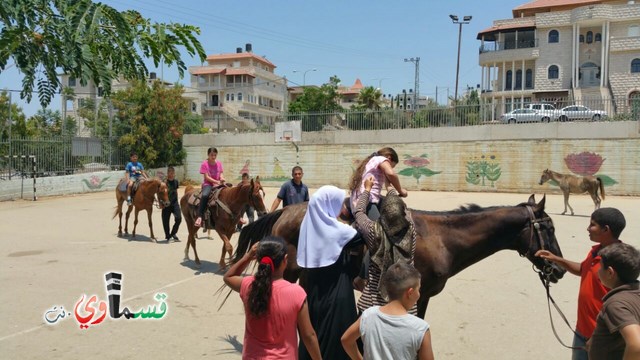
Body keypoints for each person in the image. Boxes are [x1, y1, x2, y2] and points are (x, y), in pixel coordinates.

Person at [536, 207, 627, 360]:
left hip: (602, 335)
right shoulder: (596, 251)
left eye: (592, 224)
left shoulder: (619, 260)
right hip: (582, 329)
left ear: (606, 229)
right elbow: (583, 270)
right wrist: (556, 259)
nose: (588, 228)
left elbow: (622, 301)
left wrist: (599, 337)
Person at [223, 236, 322, 360]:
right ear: (285, 260)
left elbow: (228, 277)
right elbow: (308, 335)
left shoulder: (248, 285)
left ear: (258, 260)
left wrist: (247, 257)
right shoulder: (296, 292)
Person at [297, 185, 359, 360]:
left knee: (315, 329)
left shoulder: (308, 226)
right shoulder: (339, 231)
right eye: (338, 203)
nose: (342, 207)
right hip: (338, 293)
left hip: (315, 294)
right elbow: (364, 234)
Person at [341, 262, 434, 360]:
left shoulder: (368, 315)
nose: (419, 294)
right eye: (418, 289)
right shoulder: (420, 328)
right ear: (410, 292)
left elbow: (346, 340)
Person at [353, 175, 417, 314]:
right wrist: (390, 188)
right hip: (404, 305)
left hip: (372, 304)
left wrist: (367, 189)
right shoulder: (410, 228)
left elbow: (359, 212)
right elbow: (403, 209)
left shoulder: (372, 230)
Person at [588, 242, 640, 360]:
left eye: (600, 267)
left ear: (610, 272)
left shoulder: (615, 304)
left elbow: (636, 345)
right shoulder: (635, 293)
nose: (598, 271)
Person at [348, 147, 407, 221]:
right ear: (389, 157)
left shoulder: (373, 161)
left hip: (366, 197)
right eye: (392, 166)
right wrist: (401, 191)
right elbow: (391, 174)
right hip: (367, 200)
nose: (390, 168)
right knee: (378, 229)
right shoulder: (381, 159)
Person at [195, 147, 225, 228]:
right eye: (212, 155)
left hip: (218, 183)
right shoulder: (204, 164)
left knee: (229, 191)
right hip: (208, 184)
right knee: (205, 195)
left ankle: (237, 216)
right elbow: (207, 177)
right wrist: (216, 182)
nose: (213, 157)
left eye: (215, 155)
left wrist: (222, 178)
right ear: (208, 155)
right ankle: (200, 216)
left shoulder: (219, 163)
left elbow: (221, 173)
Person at [161, 166, 181, 242]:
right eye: (170, 173)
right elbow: (160, 193)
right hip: (166, 204)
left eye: (173, 173)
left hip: (174, 203)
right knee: (165, 221)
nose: (172, 174)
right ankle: (168, 235)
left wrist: (177, 202)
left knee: (178, 218)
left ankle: (173, 233)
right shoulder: (164, 183)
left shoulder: (176, 182)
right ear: (168, 173)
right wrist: (160, 203)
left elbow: (176, 191)